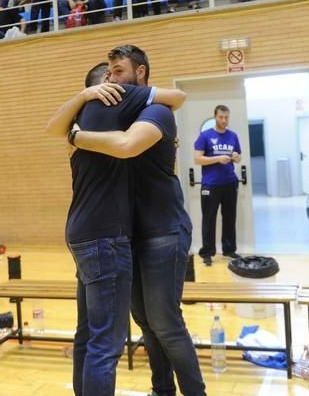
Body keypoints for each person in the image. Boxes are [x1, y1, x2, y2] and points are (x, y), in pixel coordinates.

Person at [69, 45, 206, 396]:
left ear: (140, 74)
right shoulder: (120, 115)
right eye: (109, 73)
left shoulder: (157, 111)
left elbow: (129, 146)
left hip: (163, 230)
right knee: (145, 321)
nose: (111, 78)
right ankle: (162, 390)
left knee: (165, 323)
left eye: (117, 71)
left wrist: (78, 136)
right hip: (128, 235)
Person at [194, 105, 242, 266]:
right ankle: (207, 252)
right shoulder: (205, 136)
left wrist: (236, 157)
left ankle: (229, 250)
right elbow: (198, 159)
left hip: (229, 182)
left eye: (226, 117)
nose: (224, 120)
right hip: (211, 185)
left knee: (229, 217)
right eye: (221, 117)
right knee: (209, 219)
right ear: (215, 117)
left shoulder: (233, 136)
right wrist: (217, 159)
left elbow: (238, 157)